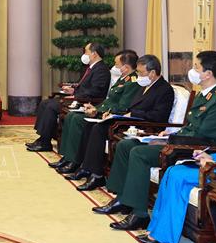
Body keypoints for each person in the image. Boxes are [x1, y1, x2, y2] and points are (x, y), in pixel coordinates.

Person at [95, 51, 216, 231]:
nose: (192, 70)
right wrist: (167, 134)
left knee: (139, 153)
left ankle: (139, 214)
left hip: (193, 150)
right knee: (126, 144)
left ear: (208, 74)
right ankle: (123, 199)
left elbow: (204, 137)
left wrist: (170, 140)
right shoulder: (204, 94)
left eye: (196, 67)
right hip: (181, 141)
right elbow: (190, 127)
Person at [74, 54, 173, 191]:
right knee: (95, 126)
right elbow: (129, 107)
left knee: (99, 129)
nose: (138, 75)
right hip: (130, 121)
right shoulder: (144, 85)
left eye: (141, 72)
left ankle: (97, 175)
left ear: (152, 73)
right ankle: (89, 169)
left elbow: (159, 116)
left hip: (146, 126)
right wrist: (113, 114)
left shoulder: (164, 89)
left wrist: (133, 114)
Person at [53, 50, 139, 176]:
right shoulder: (123, 78)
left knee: (77, 119)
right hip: (103, 111)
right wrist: (94, 107)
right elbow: (109, 100)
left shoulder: (132, 81)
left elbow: (122, 107)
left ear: (126, 67)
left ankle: (75, 161)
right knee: (72, 116)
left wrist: (98, 111)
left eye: (117, 64)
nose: (115, 67)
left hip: (111, 116)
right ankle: (68, 157)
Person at [140, 131, 216, 243]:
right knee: (171, 170)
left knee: (177, 176)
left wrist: (213, 163)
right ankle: (156, 228)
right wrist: (209, 156)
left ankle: (163, 234)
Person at [27, 43, 111, 152]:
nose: (84, 55)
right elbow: (85, 87)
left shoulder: (101, 69)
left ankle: (45, 142)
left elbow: (96, 91)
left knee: (51, 106)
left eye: (86, 52)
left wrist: (76, 96)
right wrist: (73, 90)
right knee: (45, 103)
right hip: (79, 98)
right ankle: (43, 138)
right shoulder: (91, 68)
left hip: (87, 102)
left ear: (94, 54)